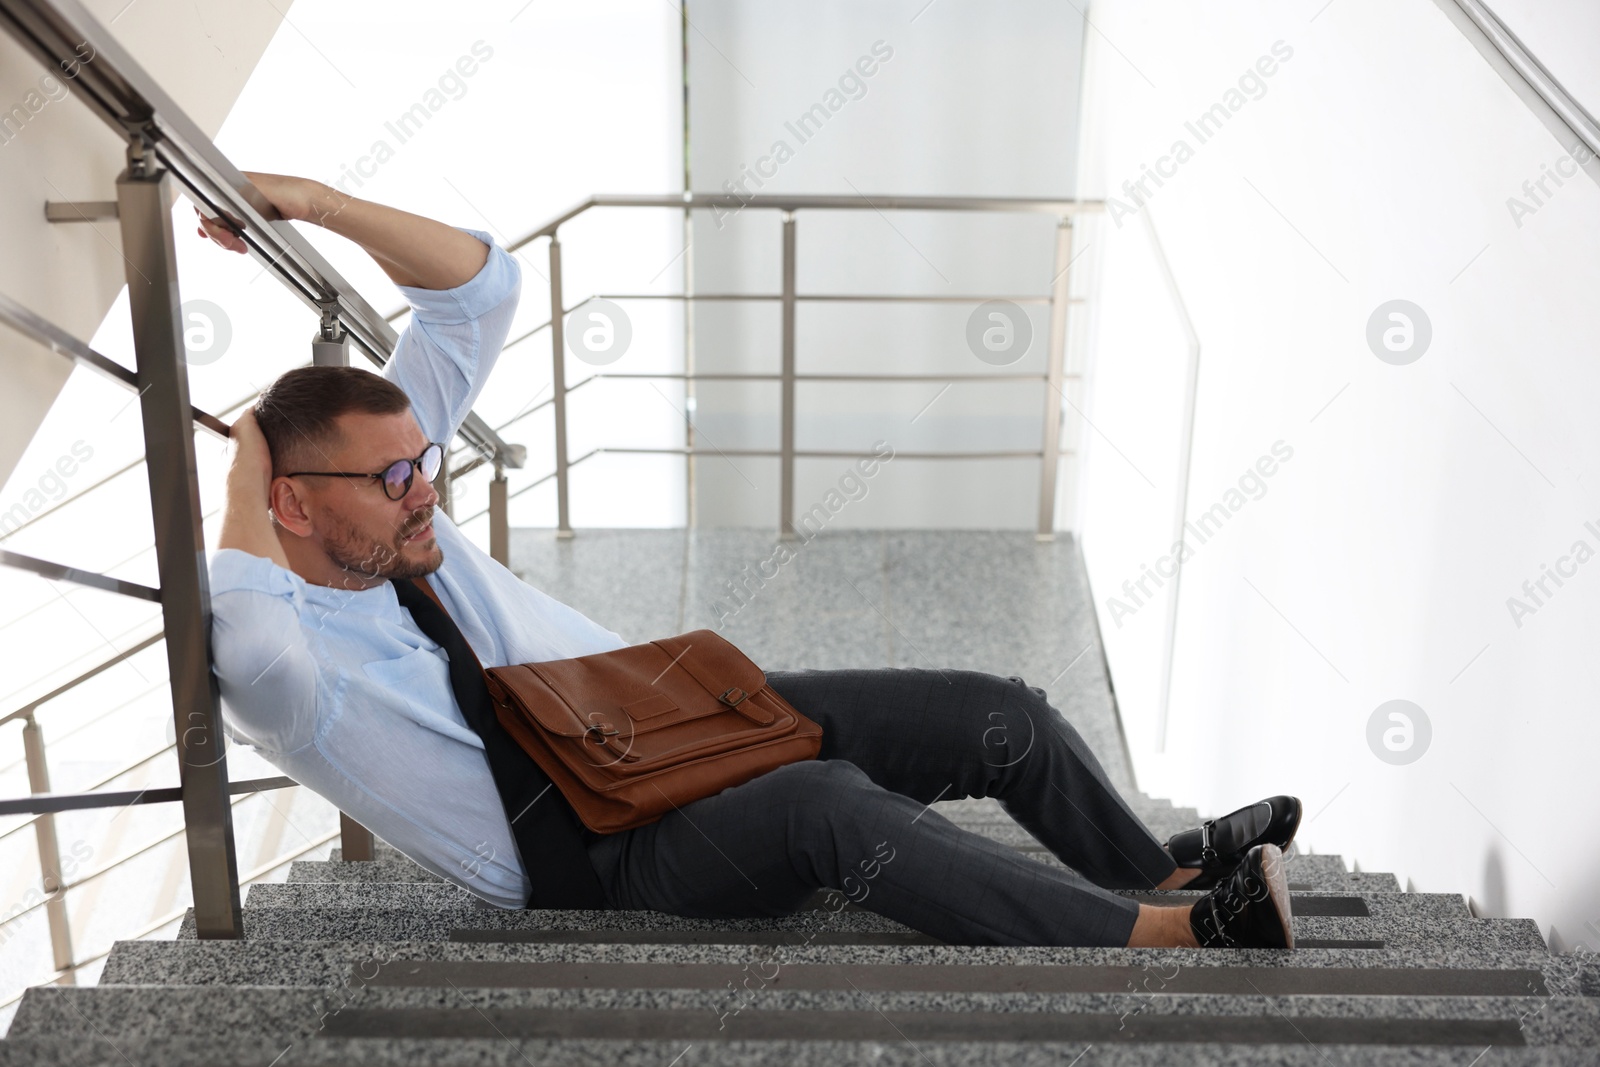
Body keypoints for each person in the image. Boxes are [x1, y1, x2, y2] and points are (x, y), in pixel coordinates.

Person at [203, 173, 1300, 950]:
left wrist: (311, 202)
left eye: (422, 462)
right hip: (605, 851)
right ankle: (1165, 932)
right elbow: (248, 639)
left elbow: (482, 292)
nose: (426, 486)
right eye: (394, 479)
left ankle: (1154, 867)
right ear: (291, 504)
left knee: (996, 713)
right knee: (827, 805)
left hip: (659, 716)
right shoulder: (295, 674)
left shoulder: (395, 512)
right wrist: (243, 465)